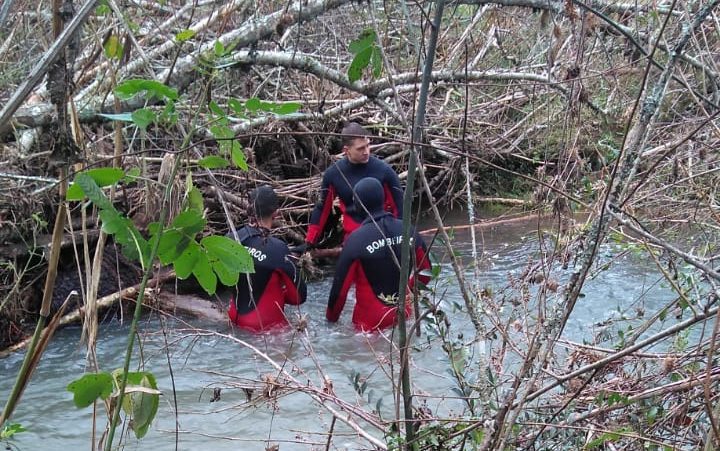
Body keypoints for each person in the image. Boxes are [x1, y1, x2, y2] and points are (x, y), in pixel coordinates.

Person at [326, 177, 431, 331]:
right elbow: (426, 271)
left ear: (357, 205)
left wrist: (330, 321)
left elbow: (340, 292)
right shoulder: (408, 229)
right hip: (405, 316)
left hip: (369, 327)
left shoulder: (355, 241)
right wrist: (409, 290)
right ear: (383, 199)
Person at [306, 122, 404, 246]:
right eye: (360, 148)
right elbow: (322, 208)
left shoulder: (384, 171)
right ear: (346, 150)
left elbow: (400, 207)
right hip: (354, 237)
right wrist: (310, 241)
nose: (366, 151)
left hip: (383, 234)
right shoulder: (335, 174)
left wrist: (400, 237)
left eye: (368, 145)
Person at [225, 185, 307, 332]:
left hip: (233, 320)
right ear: (276, 213)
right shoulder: (278, 249)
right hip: (266, 329)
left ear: (249, 209)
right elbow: (298, 297)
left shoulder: (230, 239)